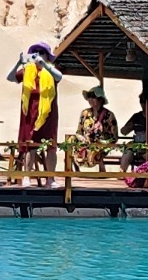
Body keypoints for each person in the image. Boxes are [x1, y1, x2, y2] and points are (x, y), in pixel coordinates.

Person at [6, 42, 61, 183]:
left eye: (41, 52)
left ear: (47, 56)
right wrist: (19, 63)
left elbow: (59, 77)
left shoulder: (50, 70)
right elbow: (10, 78)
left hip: (48, 113)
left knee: (50, 145)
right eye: (35, 52)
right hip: (30, 113)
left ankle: (50, 179)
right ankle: (26, 176)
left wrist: (45, 65)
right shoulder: (28, 70)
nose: (38, 54)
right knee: (29, 144)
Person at [70, 85, 118, 171]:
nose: (90, 99)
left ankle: (101, 170)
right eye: (89, 97)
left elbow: (114, 137)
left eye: (93, 97)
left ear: (100, 99)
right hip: (86, 142)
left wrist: (102, 141)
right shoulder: (85, 113)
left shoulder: (109, 115)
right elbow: (78, 131)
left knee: (96, 148)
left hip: (101, 144)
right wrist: (81, 138)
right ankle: (74, 170)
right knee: (70, 140)